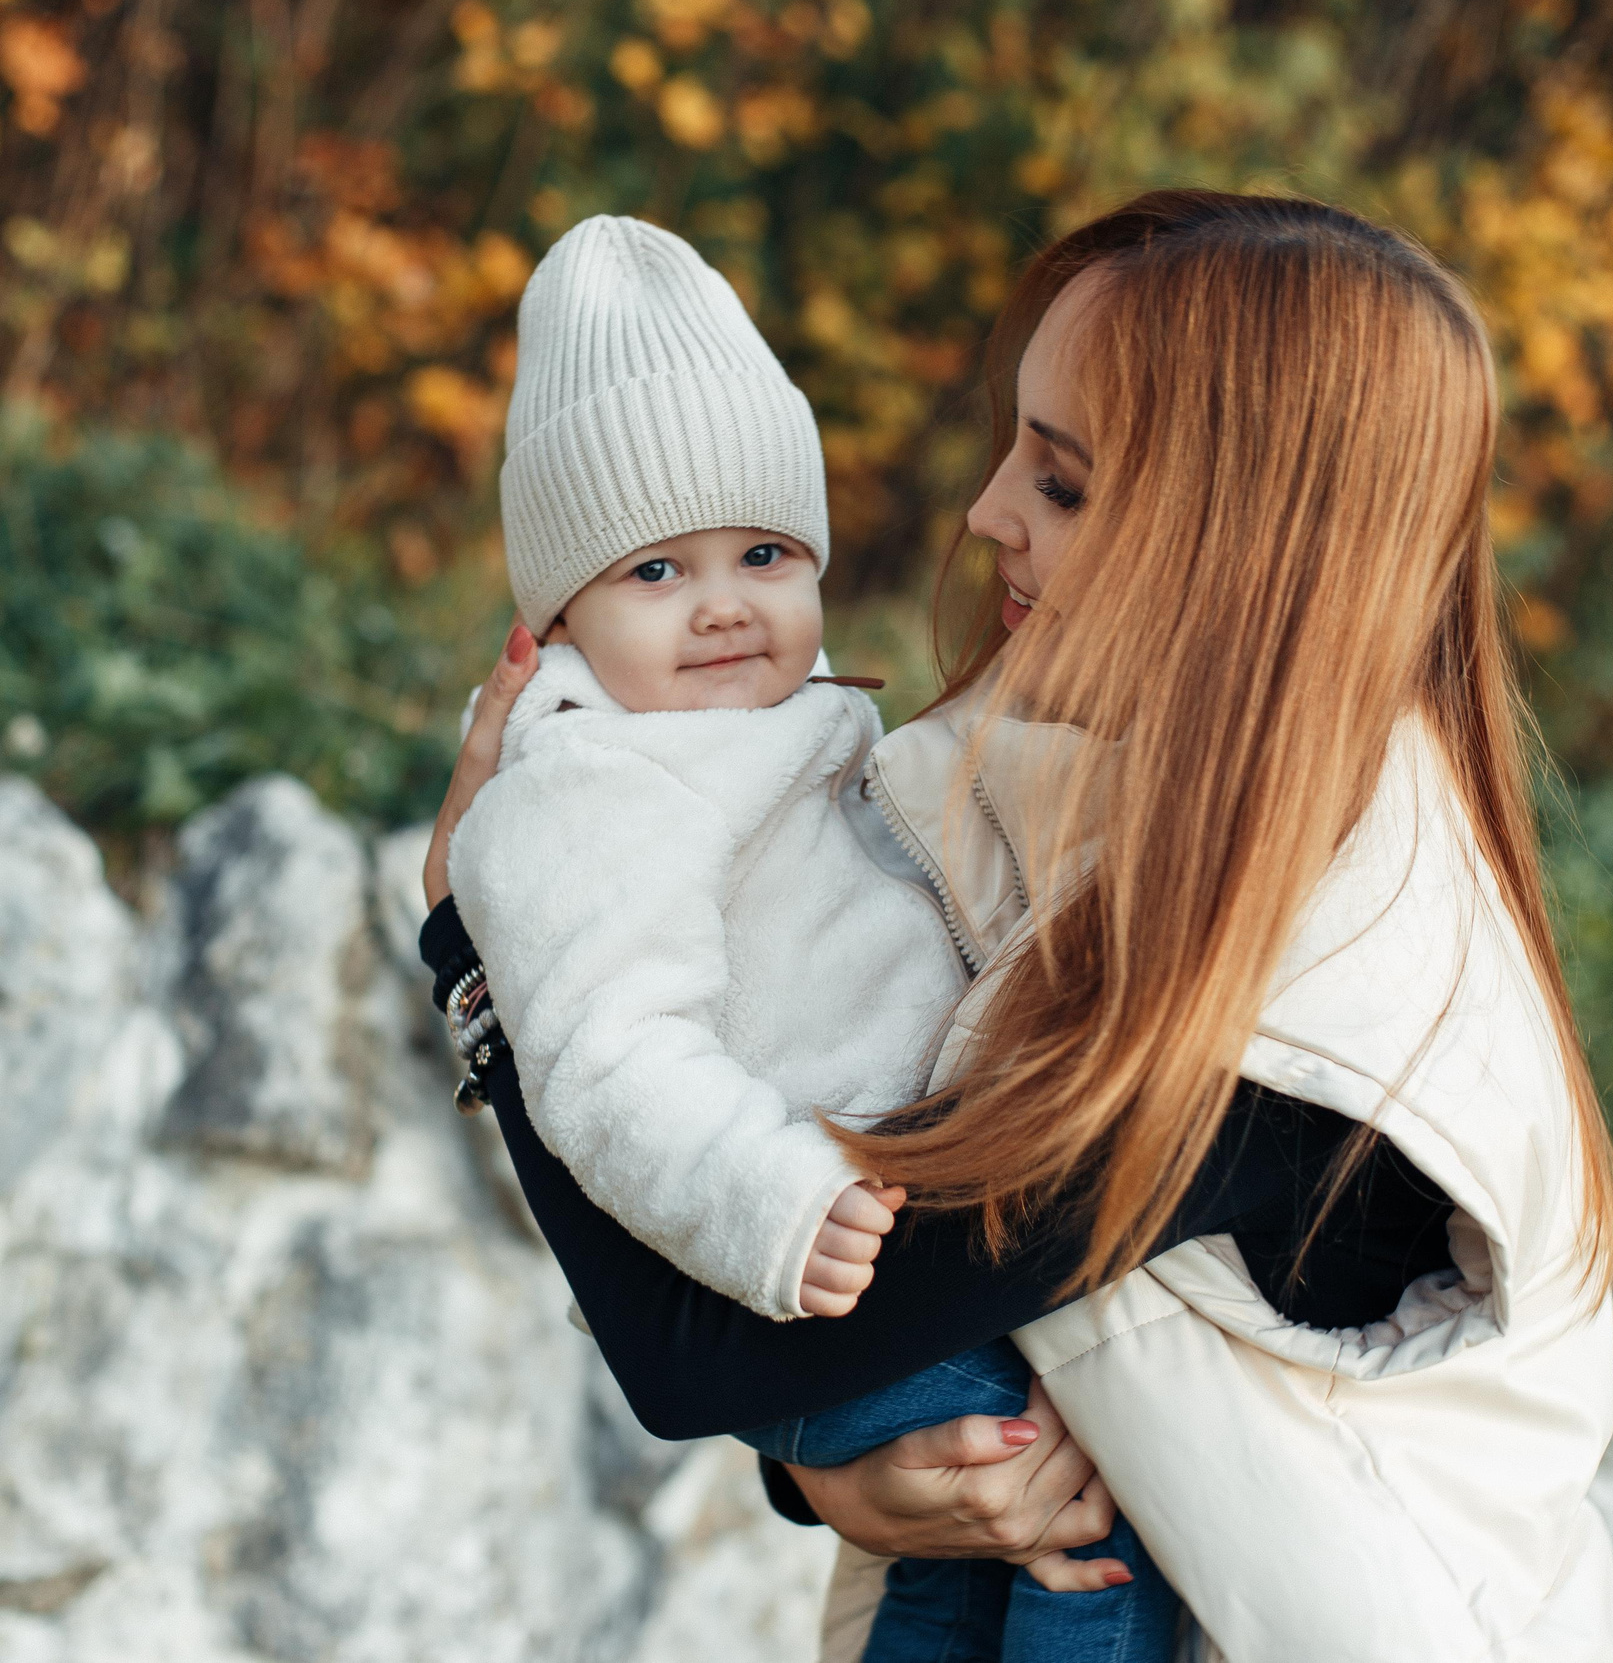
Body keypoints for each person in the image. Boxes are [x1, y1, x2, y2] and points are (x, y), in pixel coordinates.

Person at [423, 190, 1613, 1663]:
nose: (986, 509)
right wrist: (847, 1475)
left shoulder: (1318, 972)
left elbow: (712, 1352)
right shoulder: (1082, 792)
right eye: (1015, 449)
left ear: (1242, 545)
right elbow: (928, 1295)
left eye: (1060, 484)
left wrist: (472, 950)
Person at [444, 211, 1181, 1662]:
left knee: (957, 1573)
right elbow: (604, 1056)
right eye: (655, 573)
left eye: (765, 552)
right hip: (789, 1248)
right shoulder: (593, 788)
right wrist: (773, 1199)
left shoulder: (787, 728)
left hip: (868, 1245)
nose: (724, 606)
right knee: (1092, 1522)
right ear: (559, 618)